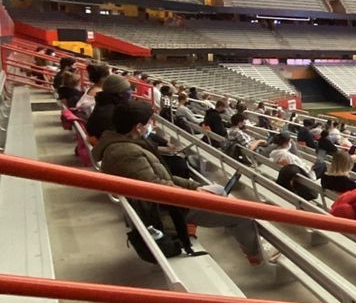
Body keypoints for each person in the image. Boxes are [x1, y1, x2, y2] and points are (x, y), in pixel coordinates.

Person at [93, 100, 276, 265]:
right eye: (149, 122)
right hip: (166, 212)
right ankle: (255, 255)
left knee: (219, 189)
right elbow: (158, 189)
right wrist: (194, 195)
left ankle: (242, 235)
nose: (151, 125)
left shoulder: (124, 145)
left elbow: (163, 179)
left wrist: (195, 187)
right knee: (244, 214)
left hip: (166, 204)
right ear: (138, 126)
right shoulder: (126, 153)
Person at [86, 75, 134, 141]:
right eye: (128, 90)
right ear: (120, 93)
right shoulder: (113, 112)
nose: (131, 92)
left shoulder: (103, 103)